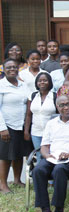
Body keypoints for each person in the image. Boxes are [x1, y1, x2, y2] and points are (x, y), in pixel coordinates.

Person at [0, 59, 32, 193]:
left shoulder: (23, 85)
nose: (12, 69)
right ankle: (2, 184)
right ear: (3, 70)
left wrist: (26, 127)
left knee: (18, 153)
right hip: (7, 125)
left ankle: (17, 180)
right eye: (8, 67)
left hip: (21, 124)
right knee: (5, 155)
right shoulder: (1, 85)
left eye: (14, 67)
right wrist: (2, 128)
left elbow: (28, 103)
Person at [24, 72, 57, 159]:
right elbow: (28, 115)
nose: (42, 82)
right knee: (39, 155)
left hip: (52, 133)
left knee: (51, 155)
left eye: (45, 80)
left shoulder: (55, 96)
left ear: (49, 82)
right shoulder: (33, 95)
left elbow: (59, 115)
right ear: (36, 83)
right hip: (36, 132)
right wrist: (26, 131)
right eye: (40, 81)